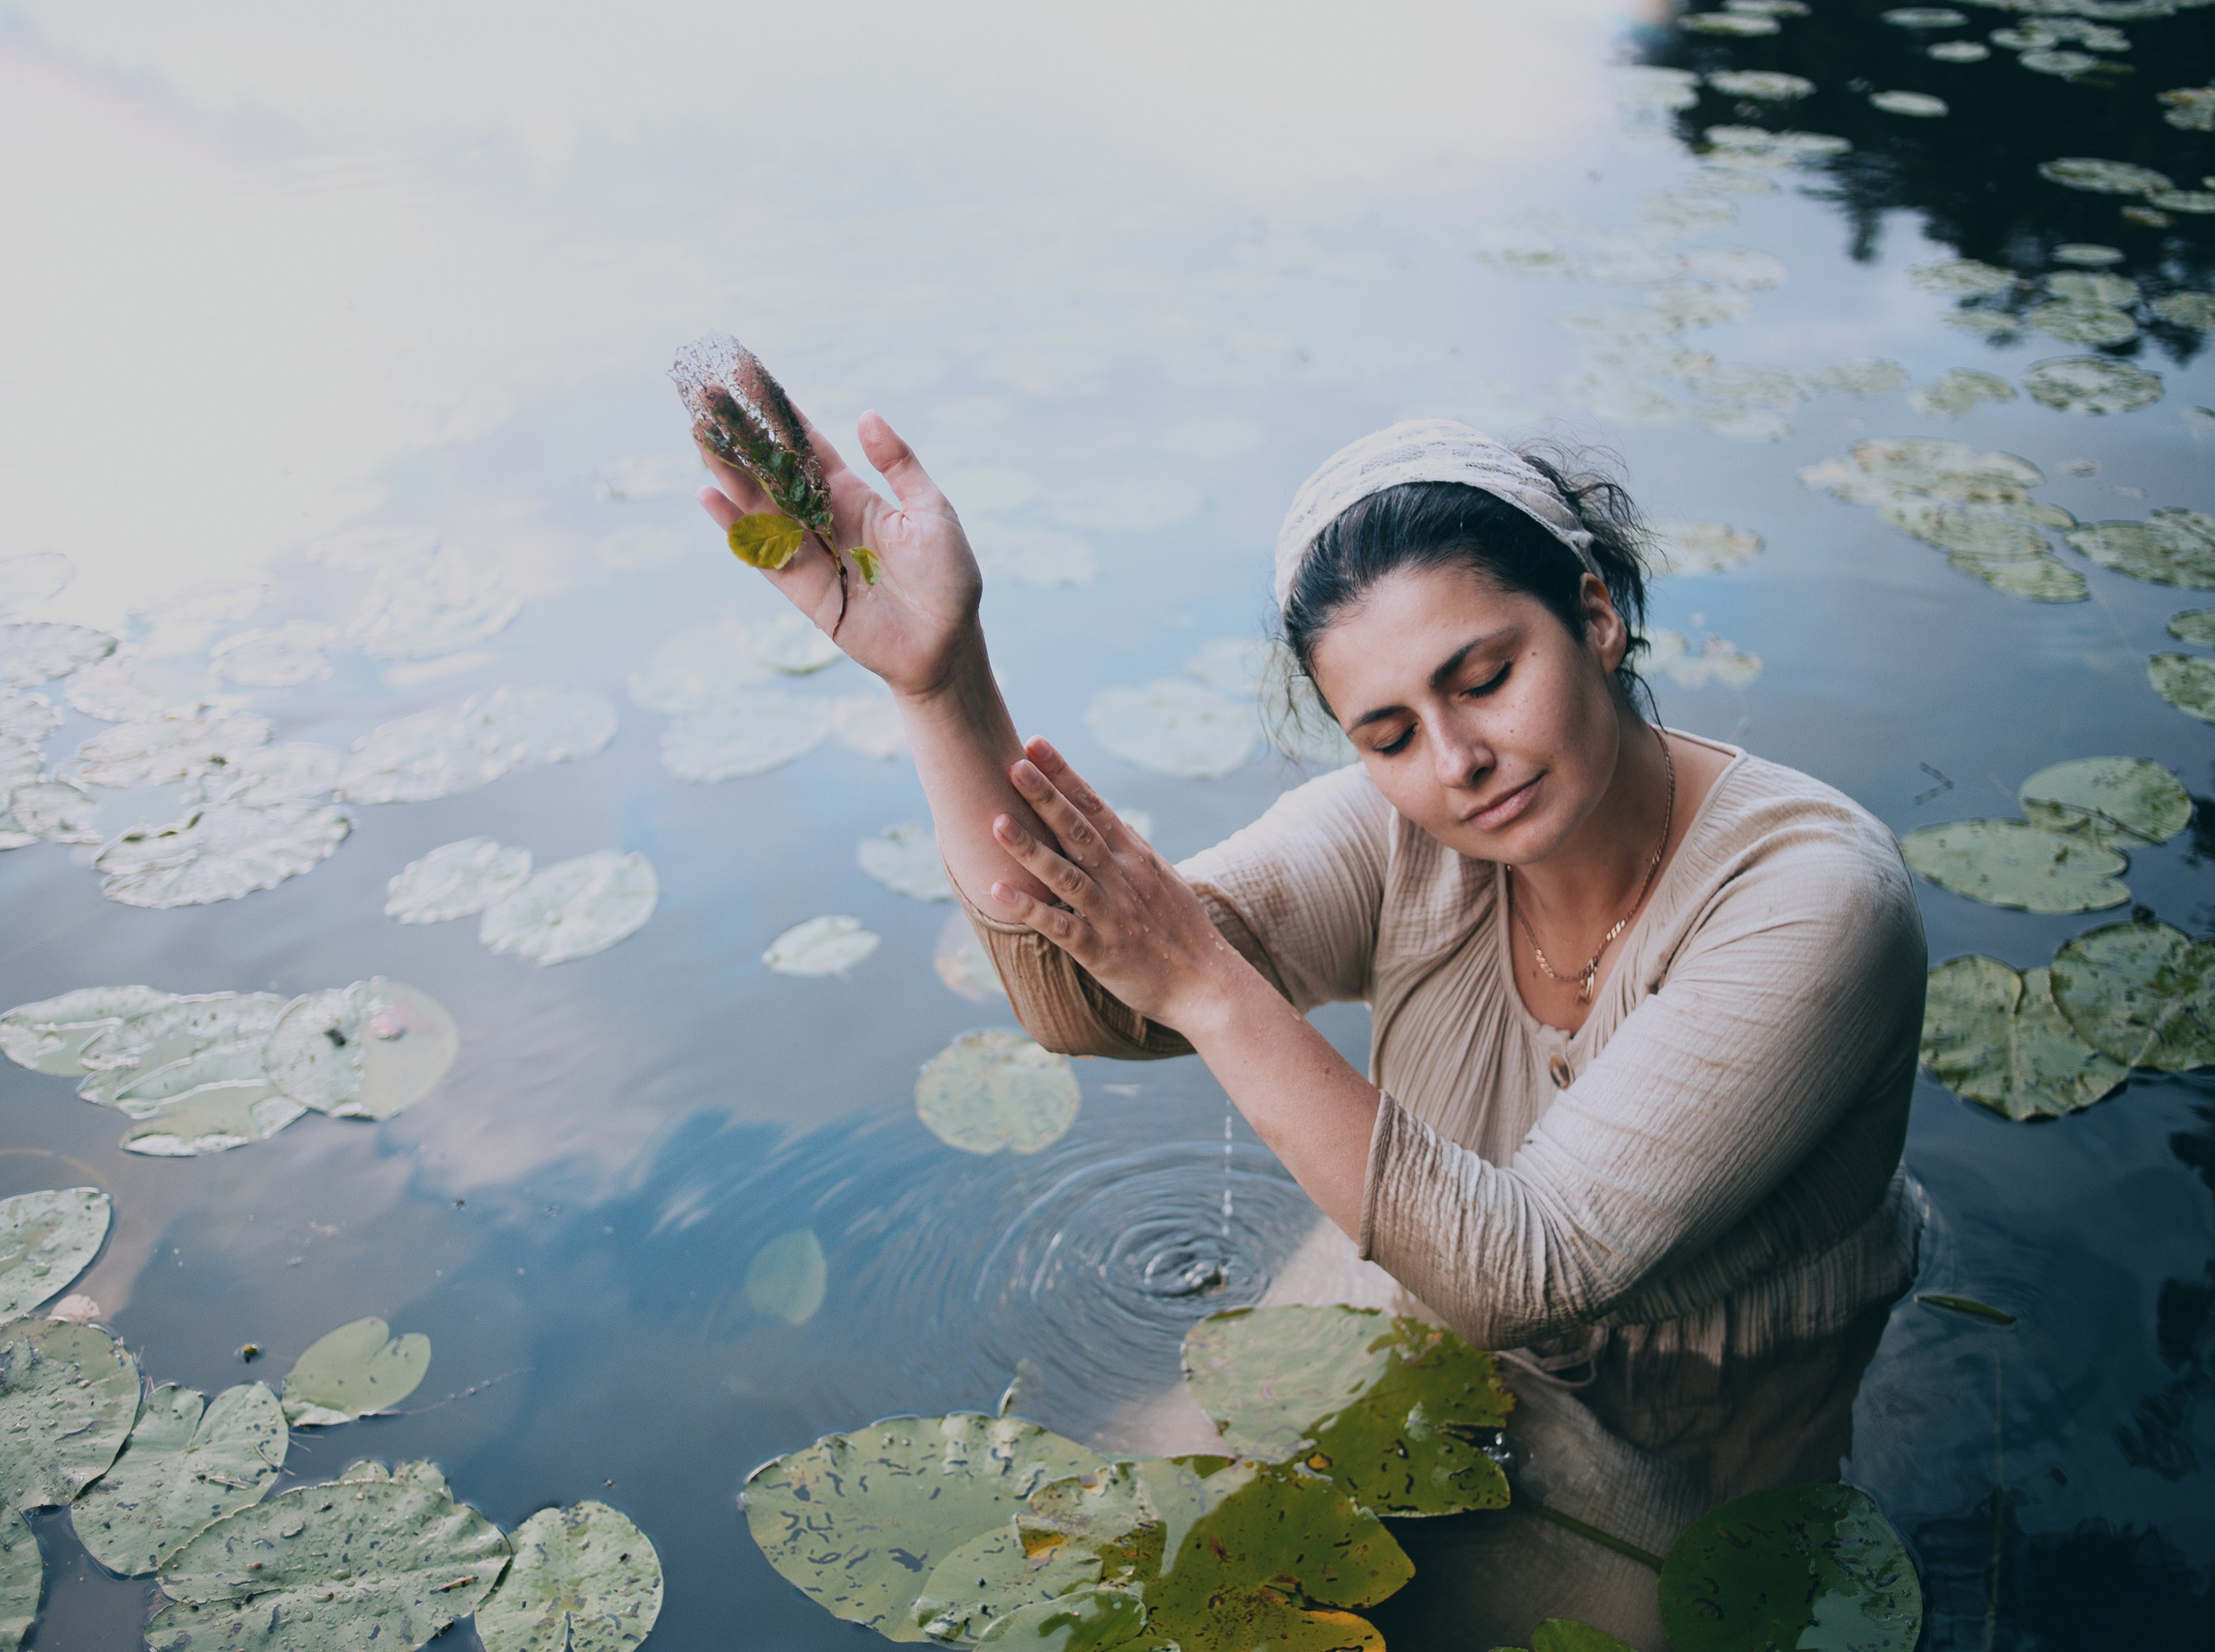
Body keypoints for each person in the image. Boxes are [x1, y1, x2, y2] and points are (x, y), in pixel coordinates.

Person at [695, 413, 1925, 1650]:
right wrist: (941, 683)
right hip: (1405, 1303)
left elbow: (1526, 1268)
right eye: (1387, 734)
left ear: (1594, 616)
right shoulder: (1402, 830)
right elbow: (1084, 997)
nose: (1457, 760)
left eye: (1483, 678)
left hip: (1677, 1436)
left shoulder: (1812, 895)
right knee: (1115, 1570)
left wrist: (1206, 983)